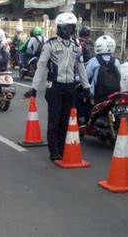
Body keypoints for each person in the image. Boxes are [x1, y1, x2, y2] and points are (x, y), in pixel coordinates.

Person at [24, 12, 91, 161]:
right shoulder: (50, 44)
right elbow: (41, 66)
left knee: (66, 120)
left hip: (70, 87)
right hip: (54, 87)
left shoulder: (76, 46)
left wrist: (87, 88)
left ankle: (62, 147)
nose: (68, 31)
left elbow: (81, 68)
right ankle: (53, 151)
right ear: (59, 28)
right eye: (65, 28)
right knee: (54, 120)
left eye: (71, 28)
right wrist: (34, 87)